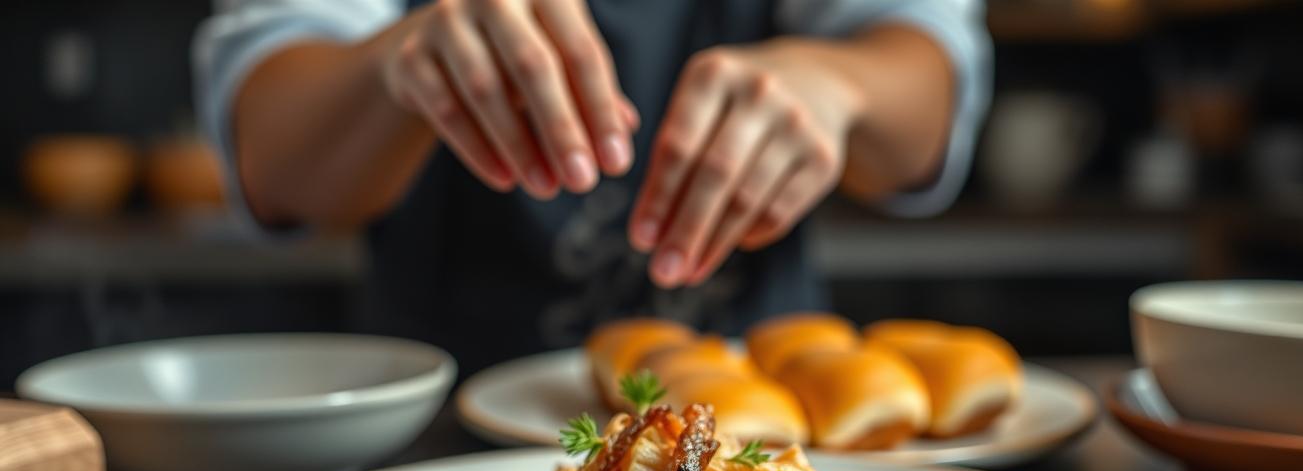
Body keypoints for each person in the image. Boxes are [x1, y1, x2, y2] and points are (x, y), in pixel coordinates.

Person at [195, 0, 990, 373]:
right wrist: (395, 64)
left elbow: (924, 117)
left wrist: (843, 82)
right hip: (434, 430)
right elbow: (277, 165)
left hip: (767, 413)